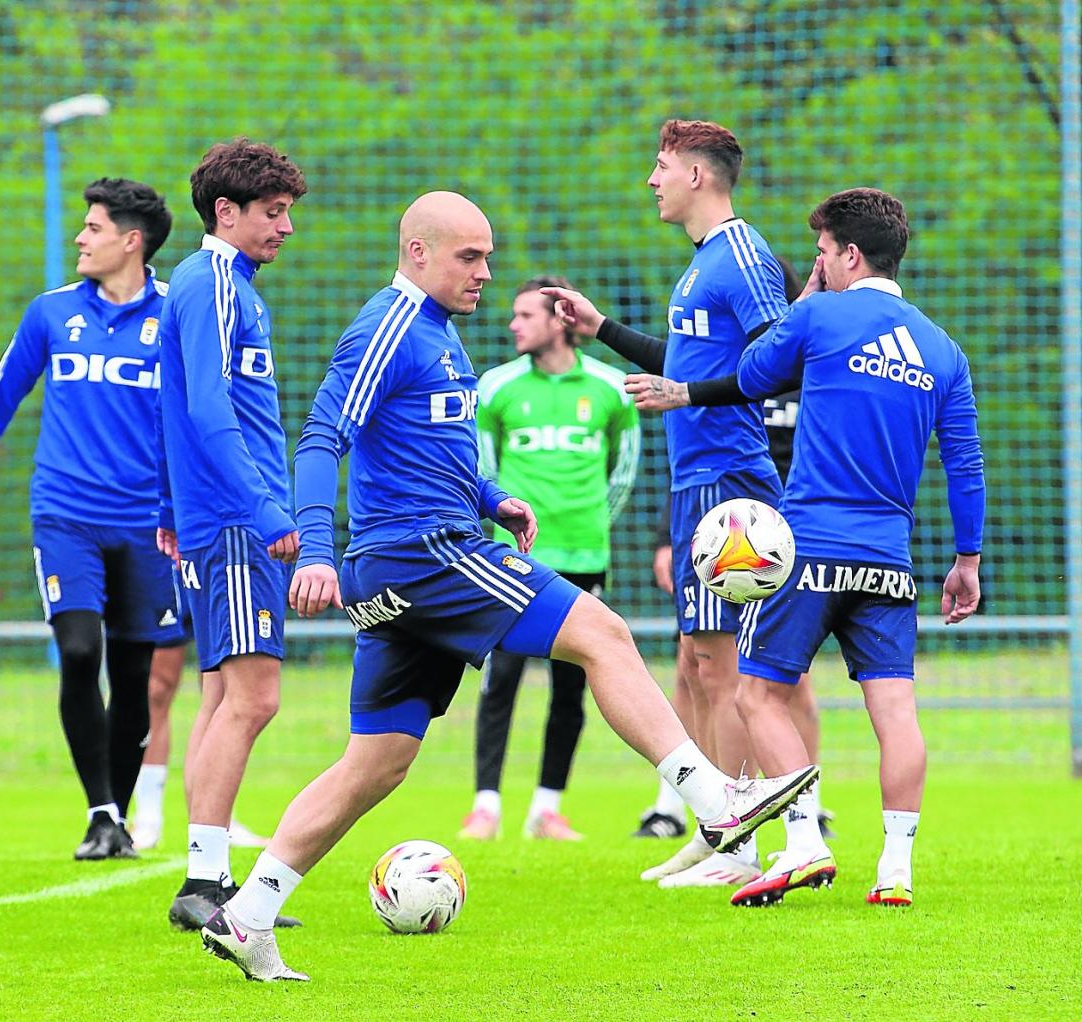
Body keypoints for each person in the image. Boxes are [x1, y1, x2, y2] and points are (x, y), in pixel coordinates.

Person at [197, 190, 817, 982]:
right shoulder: (388, 326)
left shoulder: (438, 334)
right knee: (605, 634)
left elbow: (426, 446)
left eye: (488, 256)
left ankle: (247, 915)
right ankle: (715, 800)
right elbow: (323, 437)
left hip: (405, 565)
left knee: (377, 762)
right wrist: (315, 549)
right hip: (424, 555)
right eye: (469, 257)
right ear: (418, 252)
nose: (485, 272)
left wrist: (492, 497)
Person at [622, 187, 984, 908]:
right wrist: (967, 561)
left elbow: (754, 375)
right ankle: (895, 869)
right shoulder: (944, 349)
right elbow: (966, 463)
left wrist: (800, 307)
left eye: (821, 252)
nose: (815, 264)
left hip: (811, 546)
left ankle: (803, 842)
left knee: (758, 694)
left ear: (849, 255)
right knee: (897, 712)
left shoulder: (818, 313)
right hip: (890, 559)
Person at [542, 119, 789, 889]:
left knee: (722, 670)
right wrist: (603, 330)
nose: (650, 180)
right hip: (695, 485)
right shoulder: (701, 265)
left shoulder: (743, 255)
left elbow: (783, 364)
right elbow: (688, 363)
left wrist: (686, 393)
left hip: (732, 482)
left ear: (697, 175)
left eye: (660, 166)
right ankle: (725, 830)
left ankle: (741, 842)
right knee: (696, 661)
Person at [0, 179, 179, 861]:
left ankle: (115, 819)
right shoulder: (50, 314)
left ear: (132, 241)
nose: (80, 238)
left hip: (149, 528)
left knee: (135, 679)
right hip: (65, 516)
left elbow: (198, 425)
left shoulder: (177, 319)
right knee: (76, 651)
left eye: (93, 228)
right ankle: (100, 809)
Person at [155, 139, 307, 931]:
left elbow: (171, 403)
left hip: (214, 518)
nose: (285, 229)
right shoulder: (210, 280)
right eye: (274, 213)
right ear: (227, 212)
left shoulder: (227, 285)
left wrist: (167, 505)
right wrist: (267, 511)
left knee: (221, 696)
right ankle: (206, 884)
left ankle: (205, 883)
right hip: (238, 523)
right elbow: (210, 411)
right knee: (254, 698)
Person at [635, 256, 837, 845]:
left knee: (781, 673)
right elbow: (688, 395)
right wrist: (663, 540)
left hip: (782, 527)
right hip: (722, 529)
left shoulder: (809, 367)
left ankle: (799, 807)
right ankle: (685, 804)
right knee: (695, 662)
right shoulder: (740, 369)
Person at [457, 275, 640, 842]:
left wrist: (593, 527)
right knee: (501, 679)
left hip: (585, 555)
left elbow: (624, 469)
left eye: (524, 315)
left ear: (560, 319)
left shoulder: (611, 388)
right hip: (514, 559)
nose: (513, 324)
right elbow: (480, 469)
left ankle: (547, 807)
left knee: (571, 687)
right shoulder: (496, 386)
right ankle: (485, 806)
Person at [129, 585, 271, 852]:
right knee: (157, 688)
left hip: (212, 560)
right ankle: (147, 817)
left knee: (223, 692)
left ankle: (219, 821)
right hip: (166, 566)